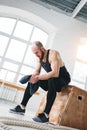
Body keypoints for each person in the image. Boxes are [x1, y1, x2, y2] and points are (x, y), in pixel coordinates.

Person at [10, 41, 71, 123]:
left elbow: (55, 73)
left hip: (63, 79)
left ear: (42, 48)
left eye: (37, 52)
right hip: (51, 80)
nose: (36, 55)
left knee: (52, 79)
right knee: (32, 80)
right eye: (34, 53)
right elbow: (37, 71)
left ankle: (45, 115)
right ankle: (22, 107)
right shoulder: (39, 58)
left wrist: (38, 77)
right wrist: (32, 77)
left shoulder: (53, 54)